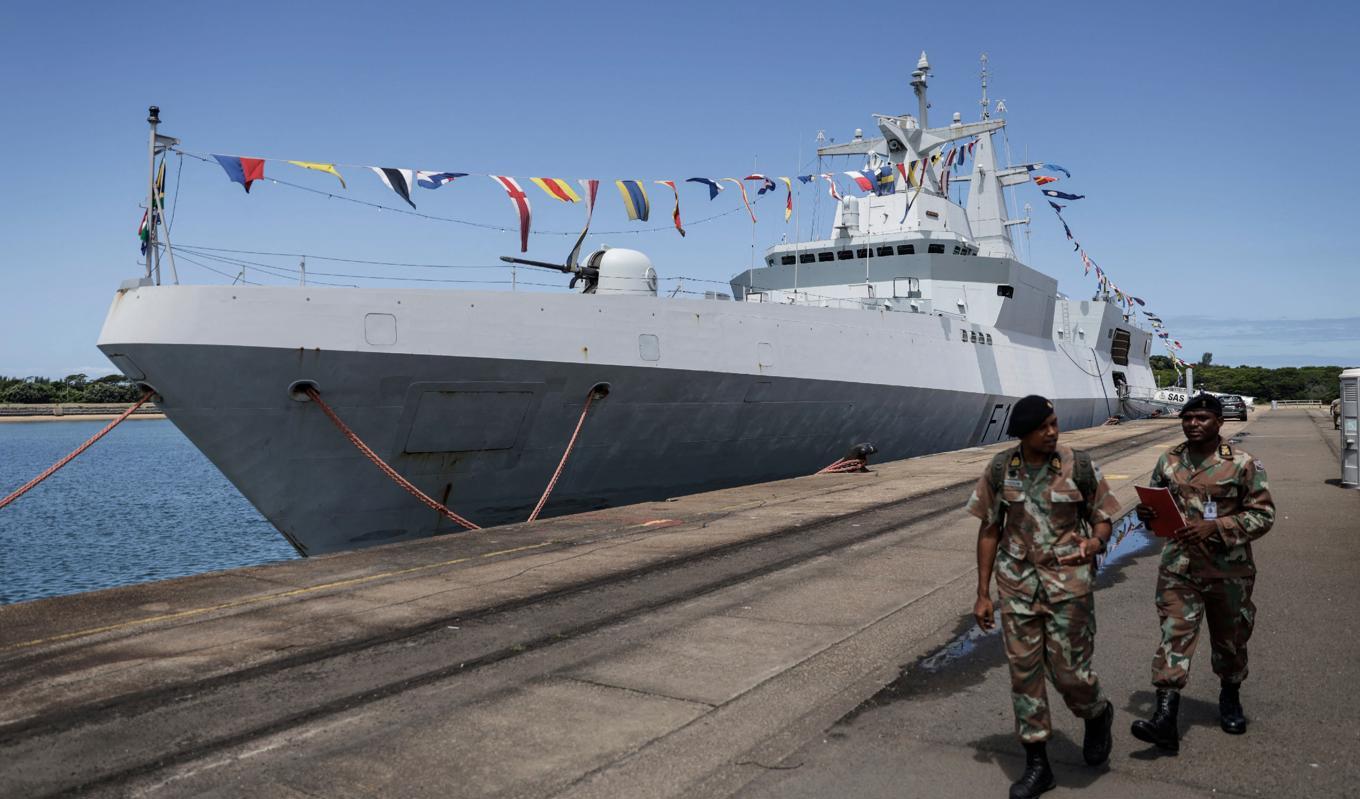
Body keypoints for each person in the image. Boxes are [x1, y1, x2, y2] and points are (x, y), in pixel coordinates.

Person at [967, 395, 1122, 799]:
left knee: (1070, 672)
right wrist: (983, 594)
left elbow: (1104, 515)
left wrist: (1096, 542)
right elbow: (988, 530)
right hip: (1016, 587)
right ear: (1023, 433)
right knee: (1024, 675)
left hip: (1069, 586)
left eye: (1054, 424)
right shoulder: (1002, 469)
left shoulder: (1079, 465)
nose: (1052, 432)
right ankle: (1038, 764)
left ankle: (1097, 713)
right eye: (1043, 427)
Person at [1131, 393, 1275, 751]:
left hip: (1229, 570)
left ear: (1219, 422)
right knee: (1173, 635)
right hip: (1179, 566)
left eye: (1202, 418)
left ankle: (1230, 696)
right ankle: (1165, 716)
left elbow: (1264, 515)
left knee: (1230, 640)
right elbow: (1157, 498)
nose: (1193, 424)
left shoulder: (1242, 463)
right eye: (1188, 418)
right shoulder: (1169, 460)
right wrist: (1147, 513)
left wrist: (1219, 526)